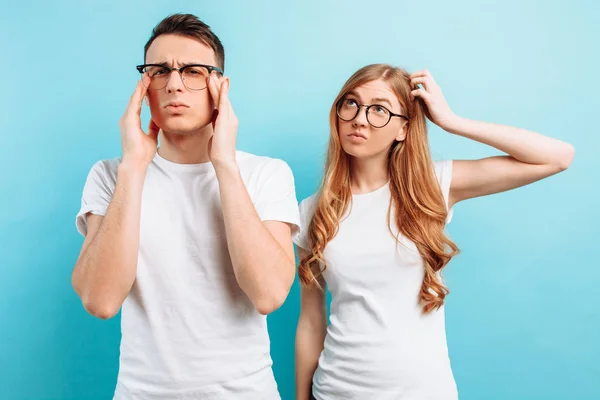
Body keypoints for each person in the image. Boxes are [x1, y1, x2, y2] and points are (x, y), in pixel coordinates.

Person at [294, 64, 574, 400]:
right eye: (351, 103)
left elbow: (558, 157)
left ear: (403, 129)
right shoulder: (311, 211)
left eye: (379, 109)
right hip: (336, 391)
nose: (360, 118)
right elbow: (311, 322)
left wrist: (452, 121)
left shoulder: (432, 185)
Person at [72, 13, 299, 400]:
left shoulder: (265, 174)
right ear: (145, 87)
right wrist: (134, 168)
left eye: (193, 71)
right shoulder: (112, 175)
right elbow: (101, 300)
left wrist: (224, 162)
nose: (174, 84)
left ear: (220, 87)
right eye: (159, 71)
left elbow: (269, 294)